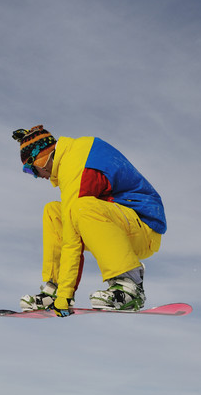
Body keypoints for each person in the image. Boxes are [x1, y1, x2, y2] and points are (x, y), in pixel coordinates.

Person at [12, 125, 165, 315]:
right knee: (53, 211)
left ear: (42, 160)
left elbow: (71, 241)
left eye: (31, 170)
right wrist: (61, 294)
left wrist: (65, 298)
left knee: (80, 208)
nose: (35, 176)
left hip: (144, 229)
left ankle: (129, 283)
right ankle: (54, 287)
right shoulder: (71, 158)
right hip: (119, 224)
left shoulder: (76, 166)